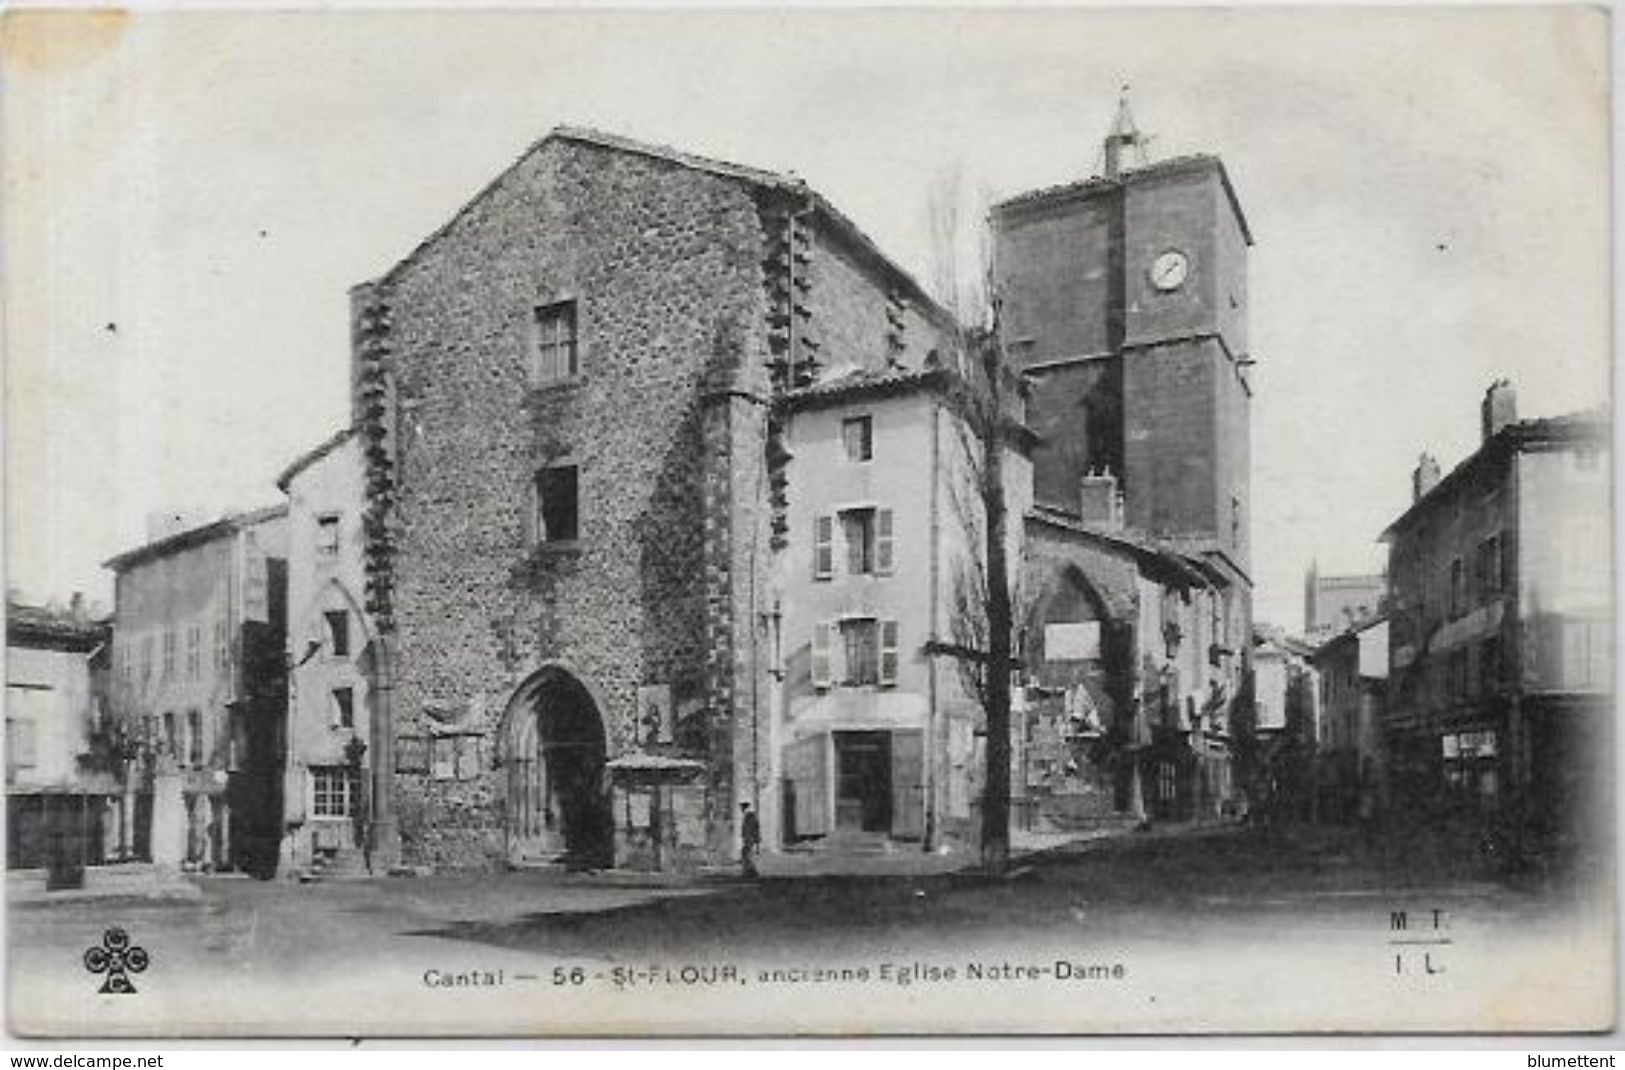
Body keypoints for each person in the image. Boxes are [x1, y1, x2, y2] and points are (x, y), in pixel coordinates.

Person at [739, 802, 761, 879]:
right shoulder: (749, 816)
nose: (741, 809)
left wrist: (755, 838)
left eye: (742, 808)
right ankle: (749, 871)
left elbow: (753, 828)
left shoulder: (749, 817)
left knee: (747, 853)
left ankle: (750, 871)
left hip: (749, 838)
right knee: (747, 853)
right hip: (749, 838)